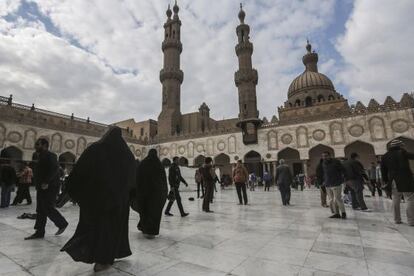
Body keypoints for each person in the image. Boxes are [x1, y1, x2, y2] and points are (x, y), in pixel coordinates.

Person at [61, 127, 135, 272]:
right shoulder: (127, 154)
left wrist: (73, 190)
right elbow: (133, 178)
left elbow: (80, 171)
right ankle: (106, 258)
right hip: (119, 200)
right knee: (113, 229)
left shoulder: (96, 148)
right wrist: (128, 195)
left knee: (99, 229)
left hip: (98, 199)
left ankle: (102, 259)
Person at [25, 138, 68, 239]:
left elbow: (54, 168)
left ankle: (62, 224)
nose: (35, 146)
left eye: (38, 144)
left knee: (48, 207)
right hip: (42, 186)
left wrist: (47, 182)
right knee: (40, 209)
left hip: (50, 186)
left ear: (44, 145)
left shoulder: (50, 155)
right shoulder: (40, 156)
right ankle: (39, 232)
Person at [135, 149, 168, 239]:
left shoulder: (142, 164)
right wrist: (165, 192)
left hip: (144, 193)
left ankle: (144, 228)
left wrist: (137, 190)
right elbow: (163, 181)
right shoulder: (159, 165)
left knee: (145, 210)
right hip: (157, 194)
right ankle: (152, 231)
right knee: (154, 212)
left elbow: (137, 177)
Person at [381, 139, 414, 226]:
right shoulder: (402, 152)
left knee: (396, 199)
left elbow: (383, 170)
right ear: (400, 146)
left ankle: (397, 219)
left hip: (393, 180)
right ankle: (411, 221)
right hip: (405, 179)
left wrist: (386, 181)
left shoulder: (385, 156)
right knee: (409, 199)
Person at [320, 151, 347, 219]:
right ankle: (336, 213)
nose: (324, 157)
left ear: (329, 156)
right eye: (323, 156)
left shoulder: (336, 162)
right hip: (328, 184)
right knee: (331, 199)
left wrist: (342, 179)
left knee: (337, 199)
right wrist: (324, 181)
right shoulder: (323, 163)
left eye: (326, 156)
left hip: (336, 183)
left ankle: (343, 213)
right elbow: (325, 173)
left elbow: (343, 170)